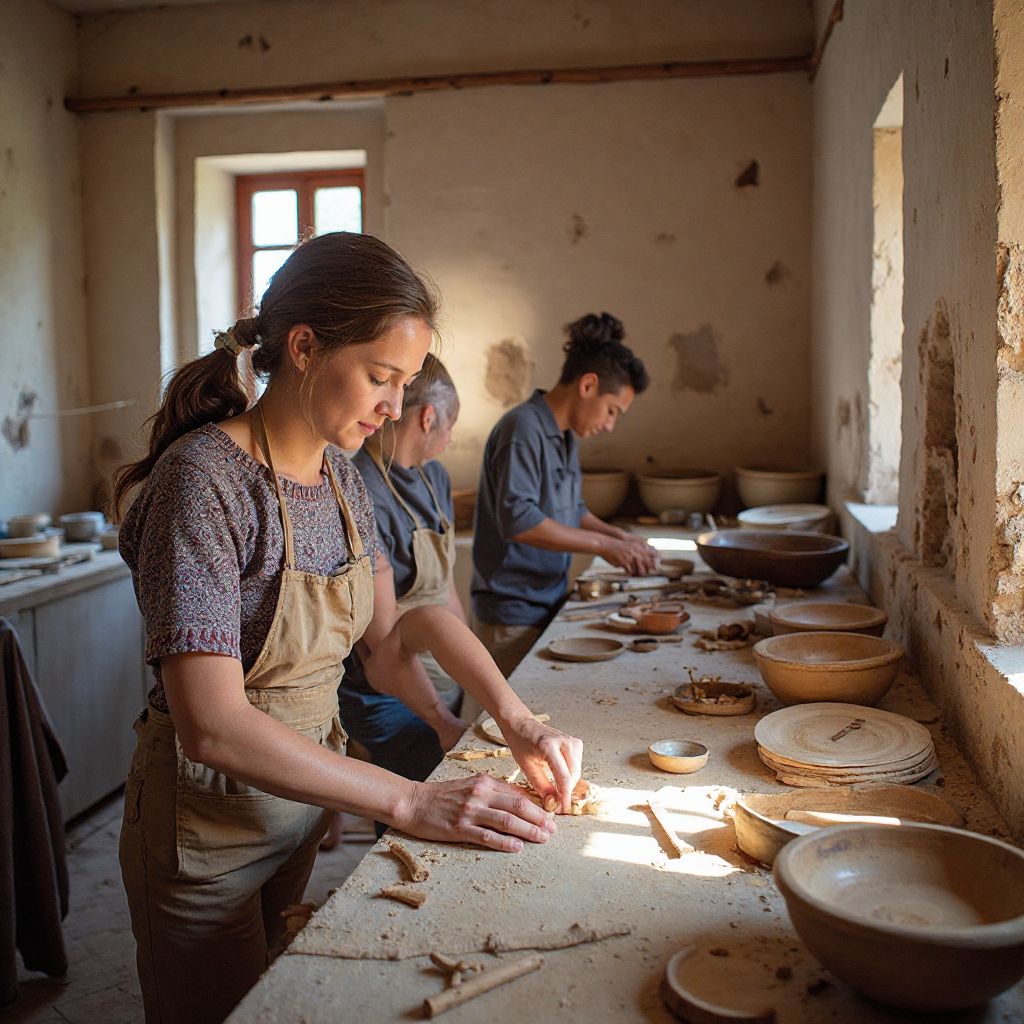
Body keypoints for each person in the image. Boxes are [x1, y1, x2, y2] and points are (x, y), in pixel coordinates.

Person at [112, 232, 583, 1024]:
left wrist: (514, 718)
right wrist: (407, 802)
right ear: (303, 348)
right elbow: (214, 727)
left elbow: (394, 640)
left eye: (403, 384)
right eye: (381, 377)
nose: (396, 406)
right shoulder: (205, 483)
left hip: (296, 813)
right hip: (205, 833)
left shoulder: (341, 480)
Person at [471, 312, 658, 678]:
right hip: (512, 613)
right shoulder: (522, 428)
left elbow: (572, 510)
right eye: (611, 411)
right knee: (503, 729)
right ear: (588, 385)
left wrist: (619, 538)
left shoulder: (565, 434)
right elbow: (520, 521)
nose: (609, 425)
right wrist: (604, 548)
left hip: (547, 601)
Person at [329, 354, 465, 840]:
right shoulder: (360, 490)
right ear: (428, 417)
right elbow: (382, 645)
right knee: (414, 827)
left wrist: (469, 668)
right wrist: (443, 721)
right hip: (386, 692)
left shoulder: (436, 478)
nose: (449, 439)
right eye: (450, 426)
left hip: (436, 682)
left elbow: (445, 586)